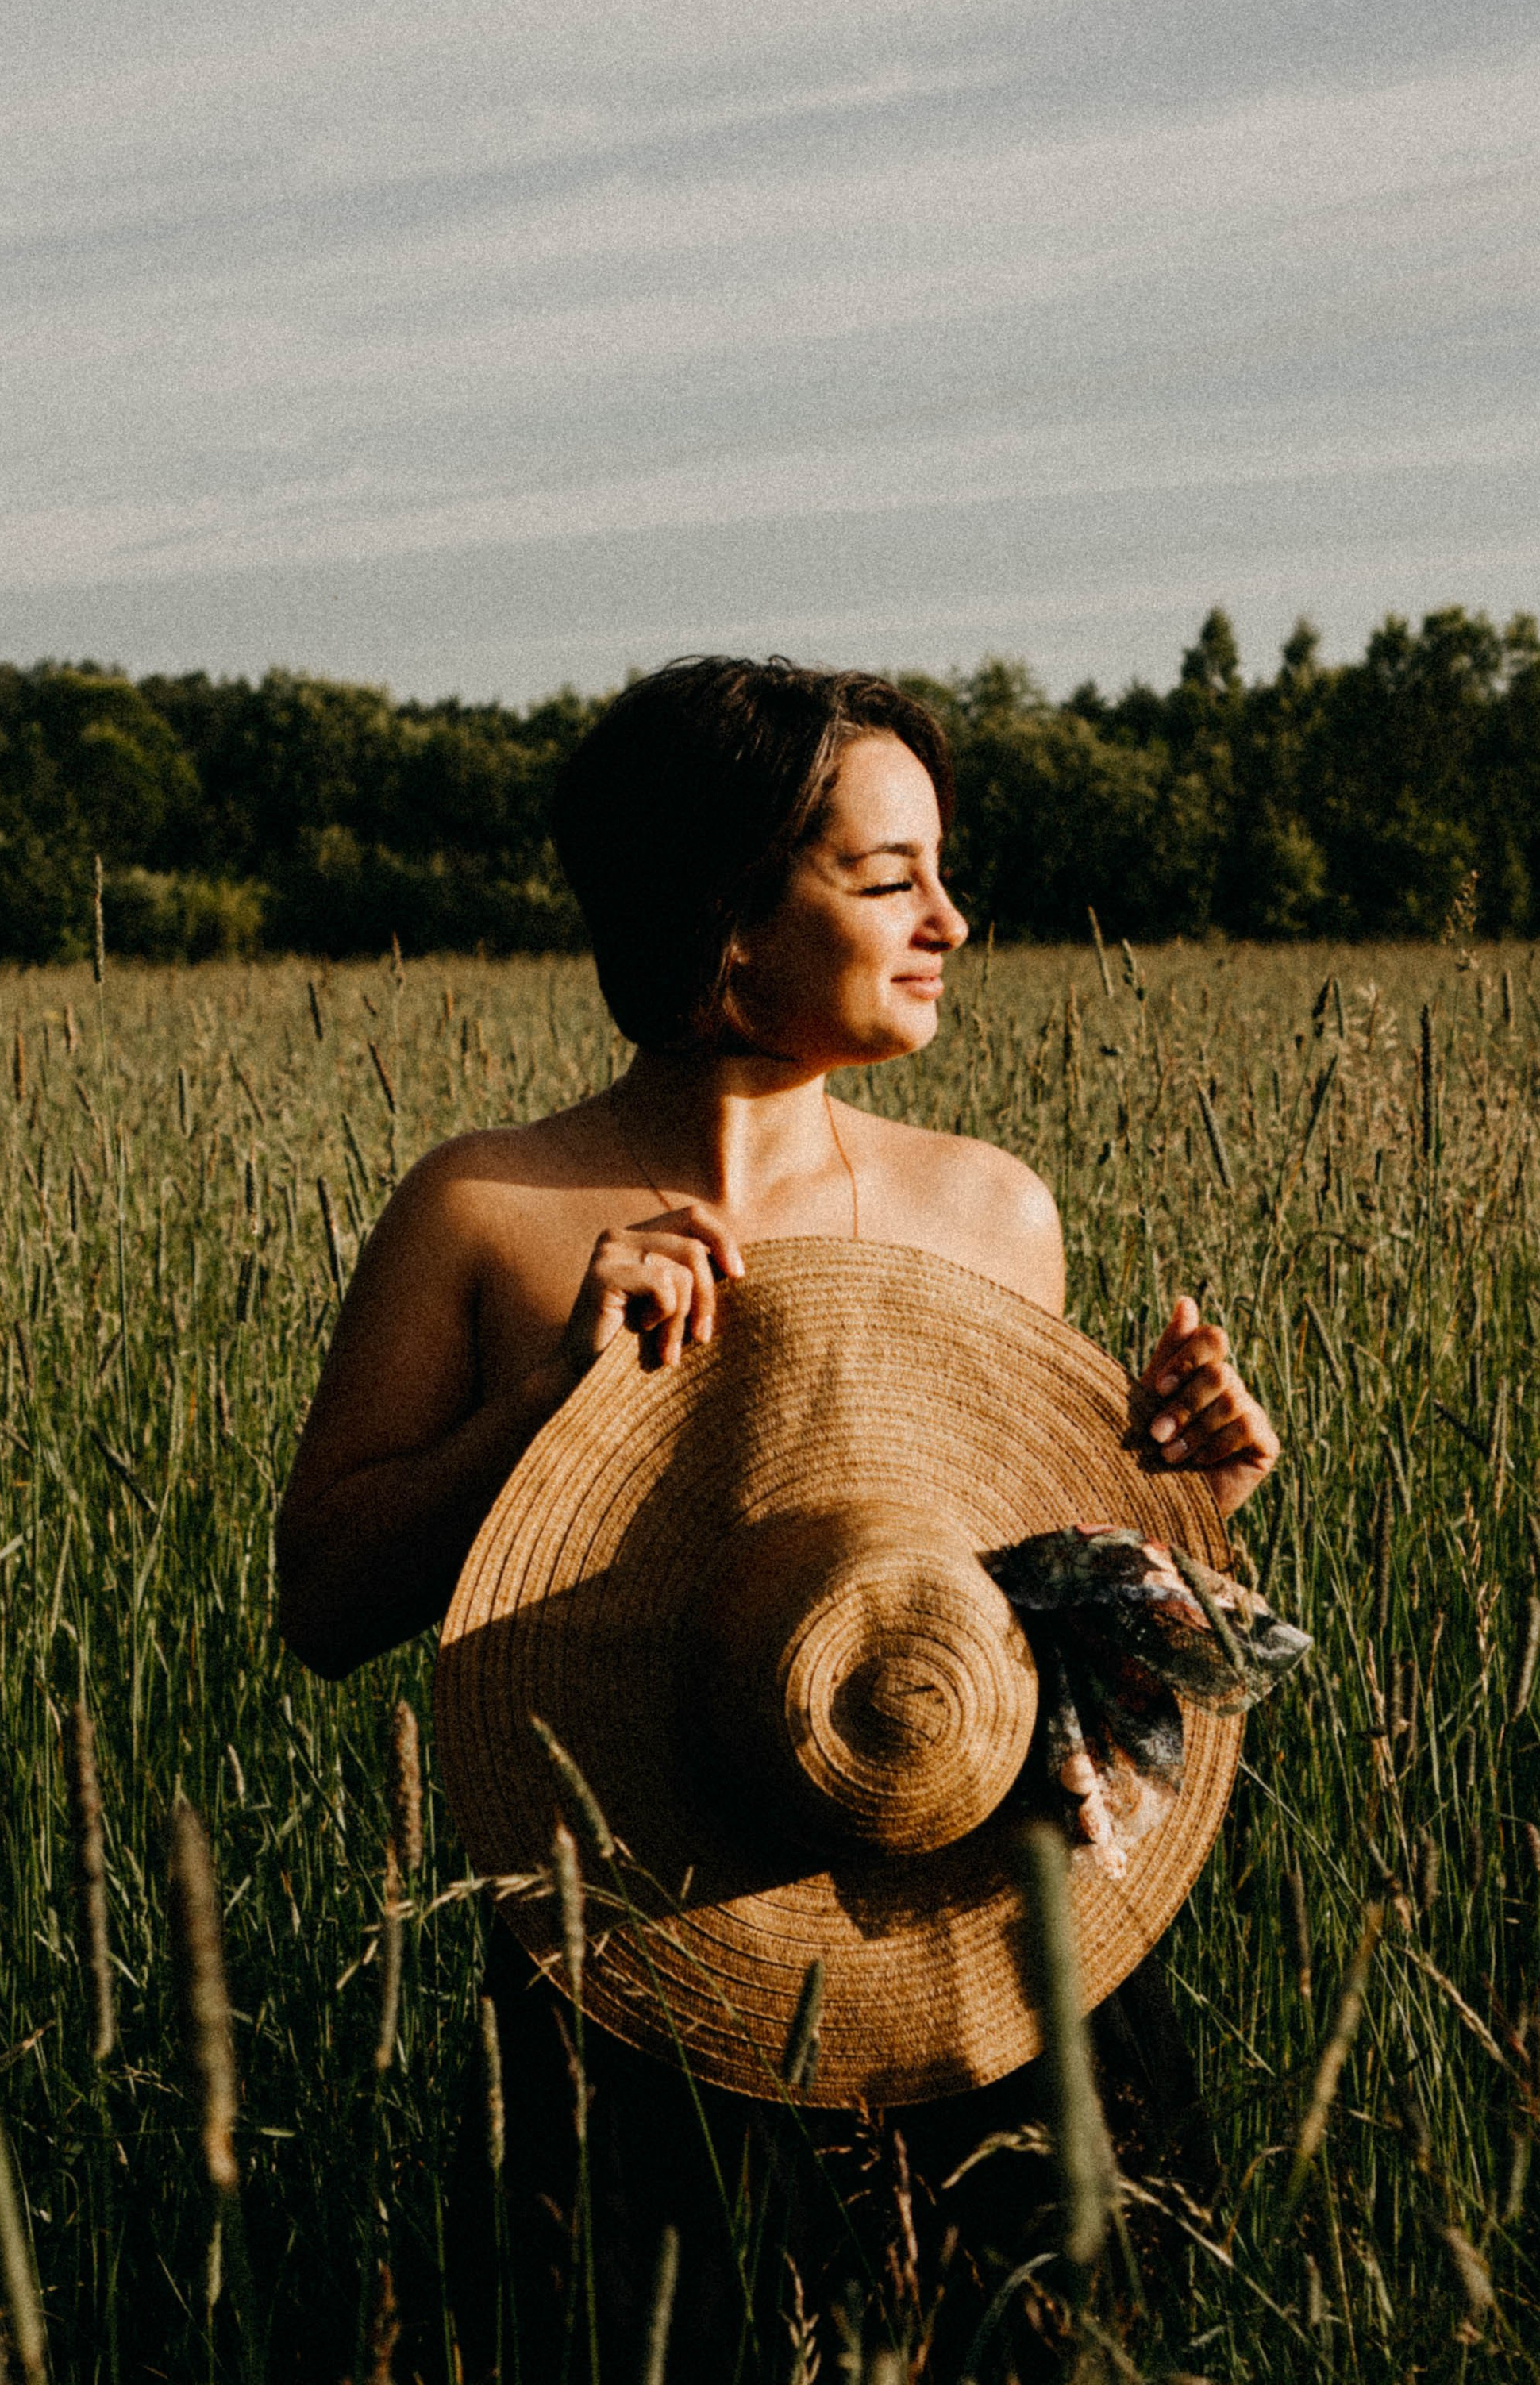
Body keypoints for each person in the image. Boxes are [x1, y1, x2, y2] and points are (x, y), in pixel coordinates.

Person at [276, 655, 1280, 2373]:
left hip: (976, 1943)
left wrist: (1181, 1504)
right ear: (728, 917)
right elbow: (324, 1600)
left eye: (941, 873)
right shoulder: (486, 1212)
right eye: (888, 880)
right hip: (639, 1956)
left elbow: (1009, 1629)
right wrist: (546, 1407)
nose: (948, 922)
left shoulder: (990, 1214)